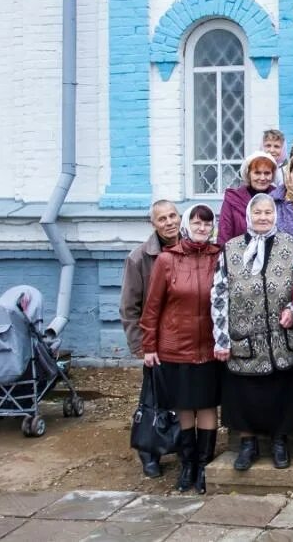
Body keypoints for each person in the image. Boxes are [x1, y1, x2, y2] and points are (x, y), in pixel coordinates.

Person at [212, 194, 293, 472]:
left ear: (275, 215)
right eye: (258, 213)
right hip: (244, 338)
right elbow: (218, 295)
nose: (263, 217)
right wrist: (221, 338)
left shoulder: (291, 243)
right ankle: (248, 445)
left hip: (281, 338)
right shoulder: (230, 248)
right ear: (249, 216)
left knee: (281, 392)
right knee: (245, 394)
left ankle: (279, 443)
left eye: (268, 212)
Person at [141, 204, 223, 494]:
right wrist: (149, 345)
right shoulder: (167, 260)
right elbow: (152, 307)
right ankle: (187, 464)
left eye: (207, 223)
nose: (202, 228)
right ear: (188, 225)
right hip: (176, 345)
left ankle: (204, 465)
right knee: (185, 405)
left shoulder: (220, 257)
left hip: (211, 346)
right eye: (197, 223)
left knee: (207, 404)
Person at [120, 199, 180, 478]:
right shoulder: (139, 258)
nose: (169, 222)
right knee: (153, 399)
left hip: (185, 339)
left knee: (182, 397)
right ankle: (149, 451)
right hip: (156, 342)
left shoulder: (191, 249)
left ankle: (178, 444)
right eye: (162, 219)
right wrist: (142, 346)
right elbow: (129, 307)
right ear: (153, 224)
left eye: (172, 216)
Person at [218, 151, 278, 247]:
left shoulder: (279, 197)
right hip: (238, 256)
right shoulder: (233, 199)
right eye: (257, 173)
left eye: (267, 173)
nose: (262, 178)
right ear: (248, 174)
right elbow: (224, 234)